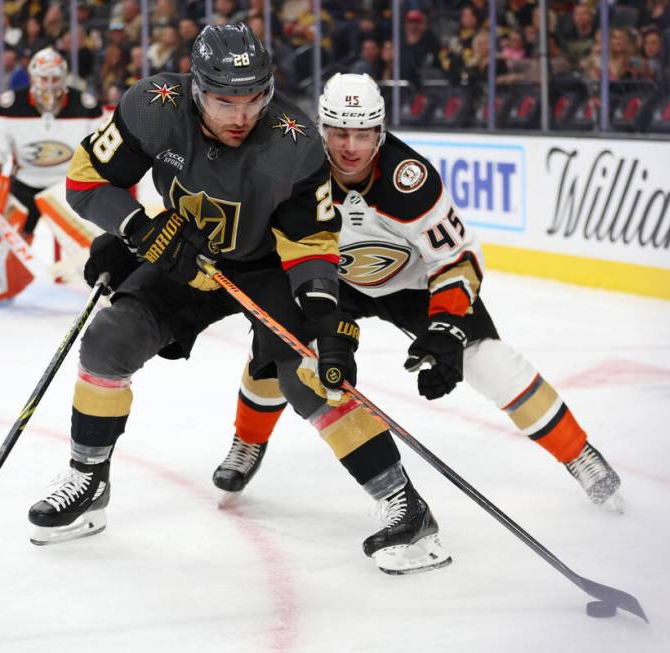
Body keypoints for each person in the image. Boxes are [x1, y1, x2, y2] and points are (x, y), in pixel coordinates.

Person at [37, 24, 451, 576]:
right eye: (224, 101)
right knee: (108, 339)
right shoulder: (152, 106)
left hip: (266, 269)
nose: (241, 115)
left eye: (254, 98)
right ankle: (89, 479)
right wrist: (133, 228)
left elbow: (311, 242)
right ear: (195, 88)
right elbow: (87, 181)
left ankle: (406, 506)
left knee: (308, 374)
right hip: (182, 254)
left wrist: (326, 319)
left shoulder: (296, 141)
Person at [210, 73, 625, 513]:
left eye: (364, 134)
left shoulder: (409, 179)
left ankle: (579, 454)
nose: (351, 147)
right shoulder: (294, 166)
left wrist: (446, 326)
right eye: (339, 133)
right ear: (321, 129)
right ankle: (247, 442)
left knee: (490, 361)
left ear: (381, 131)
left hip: (411, 286)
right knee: (276, 352)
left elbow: (456, 257)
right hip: (329, 282)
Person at [0, 47, 105, 304]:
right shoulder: (8, 107)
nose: (49, 86)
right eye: (44, 78)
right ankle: (0, 281)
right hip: (24, 185)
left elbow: (105, 156)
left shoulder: (88, 107)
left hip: (69, 187)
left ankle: (106, 283)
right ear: (32, 78)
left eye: (55, 79)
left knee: (96, 243)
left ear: (64, 78)